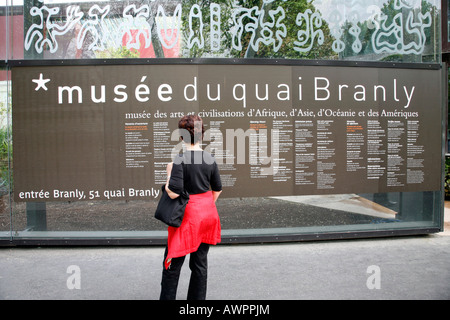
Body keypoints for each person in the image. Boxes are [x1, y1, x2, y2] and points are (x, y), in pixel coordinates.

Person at [159, 115, 222, 300]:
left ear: (181, 137)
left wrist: (168, 173)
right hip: (208, 214)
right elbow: (217, 189)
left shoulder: (180, 160)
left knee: (172, 262)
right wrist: (205, 205)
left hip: (187, 217)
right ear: (202, 135)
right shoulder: (210, 158)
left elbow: (173, 193)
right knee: (200, 264)